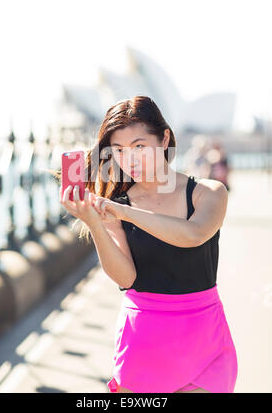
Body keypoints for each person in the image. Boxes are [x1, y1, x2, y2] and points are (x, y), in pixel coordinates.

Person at [58, 95, 238, 394]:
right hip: (143, 342)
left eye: (139, 146)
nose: (130, 159)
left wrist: (124, 212)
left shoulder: (207, 192)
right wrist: (95, 224)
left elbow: (192, 235)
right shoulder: (116, 206)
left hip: (205, 342)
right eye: (118, 150)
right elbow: (126, 278)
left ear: (164, 138)